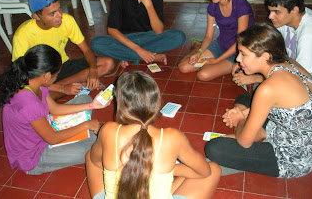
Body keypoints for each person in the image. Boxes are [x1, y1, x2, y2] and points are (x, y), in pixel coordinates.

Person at [205, 23, 312, 178]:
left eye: (243, 54)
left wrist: (240, 119)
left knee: (215, 148)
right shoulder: (289, 62)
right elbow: (281, 106)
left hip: (293, 160)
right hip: (292, 133)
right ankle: (257, 131)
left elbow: (244, 143)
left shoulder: (268, 89)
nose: (238, 58)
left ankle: (253, 132)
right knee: (245, 98)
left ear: (265, 57)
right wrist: (245, 112)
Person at [86, 70, 221, 199]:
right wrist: (163, 168)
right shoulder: (172, 137)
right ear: (156, 104)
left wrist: (131, 169)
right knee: (213, 169)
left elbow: (96, 161)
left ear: (120, 104)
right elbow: (204, 172)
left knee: (90, 156)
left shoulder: (108, 130)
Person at [0, 44, 111, 175]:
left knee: (84, 99)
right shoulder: (28, 103)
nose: (57, 78)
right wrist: (86, 124)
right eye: (56, 75)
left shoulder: (33, 83)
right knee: (96, 147)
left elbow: (55, 109)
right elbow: (52, 139)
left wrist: (92, 105)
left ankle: (83, 131)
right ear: (46, 76)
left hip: (45, 127)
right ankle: (85, 134)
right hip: (36, 155)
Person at [12, 0, 115, 99]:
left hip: (62, 66)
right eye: (52, 13)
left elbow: (86, 50)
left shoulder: (67, 20)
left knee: (107, 63)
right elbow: (21, 75)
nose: (59, 15)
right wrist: (62, 88)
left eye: (59, 9)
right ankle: (72, 87)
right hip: (42, 77)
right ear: (37, 16)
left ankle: (69, 87)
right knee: (34, 95)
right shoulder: (22, 34)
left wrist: (93, 71)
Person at [232, 0, 312, 99]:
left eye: (276, 12)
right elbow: (267, 44)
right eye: (270, 11)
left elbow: (299, 77)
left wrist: (257, 77)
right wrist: (244, 60)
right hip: (293, 67)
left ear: (294, 10)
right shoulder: (287, 20)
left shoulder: (311, 35)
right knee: (262, 87)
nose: (270, 16)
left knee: (266, 91)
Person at [91, 0, 186, 68]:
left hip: (149, 37)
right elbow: (112, 30)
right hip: (126, 39)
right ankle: (151, 56)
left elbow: (158, 31)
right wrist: (138, 49)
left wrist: (148, 4)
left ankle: (126, 55)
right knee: (96, 43)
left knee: (179, 36)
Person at [178, 0, 254, 81]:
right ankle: (199, 48)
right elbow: (209, 36)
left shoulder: (240, 5)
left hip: (239, 51)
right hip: (221, 44)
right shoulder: (212, 7)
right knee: (183, 67)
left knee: (203, 75)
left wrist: (217, 61)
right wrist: (199, 53)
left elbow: (240, 41)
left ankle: (231, 63)